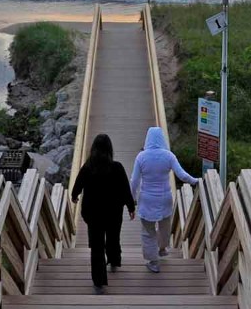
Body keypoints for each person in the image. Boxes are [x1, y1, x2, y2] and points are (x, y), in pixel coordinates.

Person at [71, 134, 136, 294]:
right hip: (113, 212)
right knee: (113, 237)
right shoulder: (117, 167)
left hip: (93, 214)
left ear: (93, 149)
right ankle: (114, 260)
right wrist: (130, 207)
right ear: (110, 150)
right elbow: (125, 189)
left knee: (97, 246)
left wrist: (74, 196)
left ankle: (98, 281)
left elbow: (77, 186)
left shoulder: (87, 168)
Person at [129, 126, 199, 273]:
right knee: (164, 227)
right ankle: (162, 249)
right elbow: (182, 175)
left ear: (148, 139)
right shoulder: (169, 156)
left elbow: (134, 181)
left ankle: (153, 261)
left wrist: (132, 199)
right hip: (165, 198)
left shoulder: (141, 157)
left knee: (148, 232)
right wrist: (195, 181)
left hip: (147, 199)